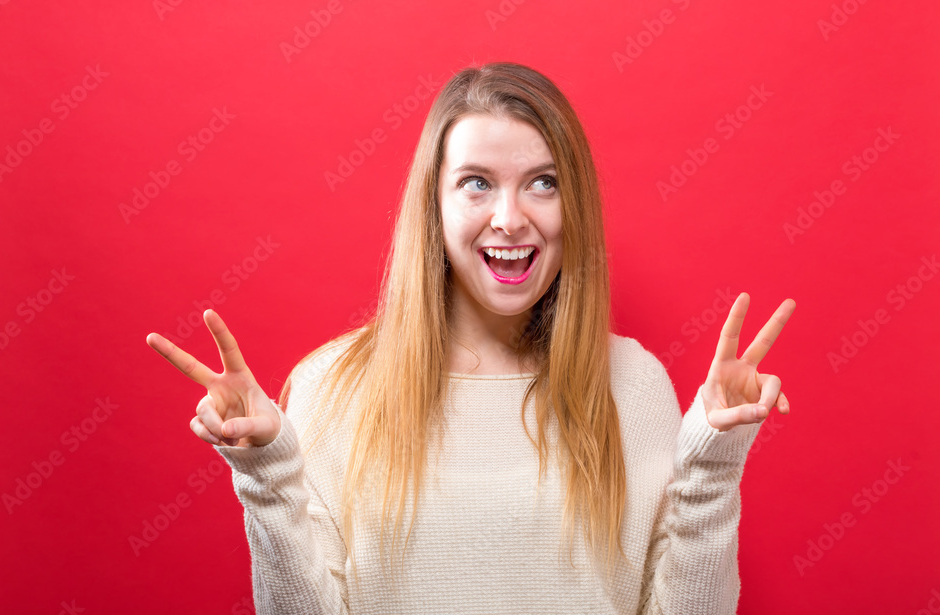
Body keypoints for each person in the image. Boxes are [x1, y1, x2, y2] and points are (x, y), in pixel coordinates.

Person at [146, 61, 795, 614]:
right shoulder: (329, 386)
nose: (510, 218)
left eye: (544, 182)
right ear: (435, 204)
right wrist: (267, 473)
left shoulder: (635, 383)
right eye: (476, 183)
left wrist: (714, 460)